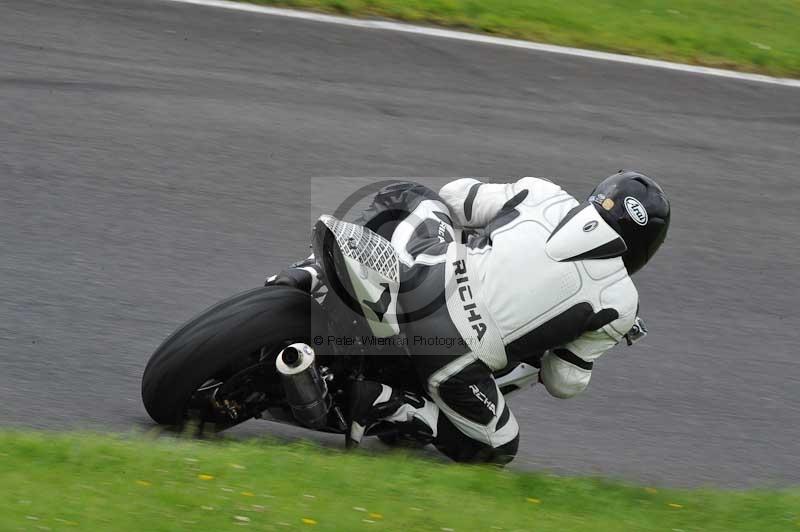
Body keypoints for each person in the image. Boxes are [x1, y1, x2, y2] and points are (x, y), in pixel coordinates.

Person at [268, 171, 670, 464]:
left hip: (419, 281)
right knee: (499, 447)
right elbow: (564, 382)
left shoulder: (543, 194)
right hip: (452, 359)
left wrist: (495, 231)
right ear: (645, 249)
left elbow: (456, 195)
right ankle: (383, 402)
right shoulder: (621, 304)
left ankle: (308, 273)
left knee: (410, 194)